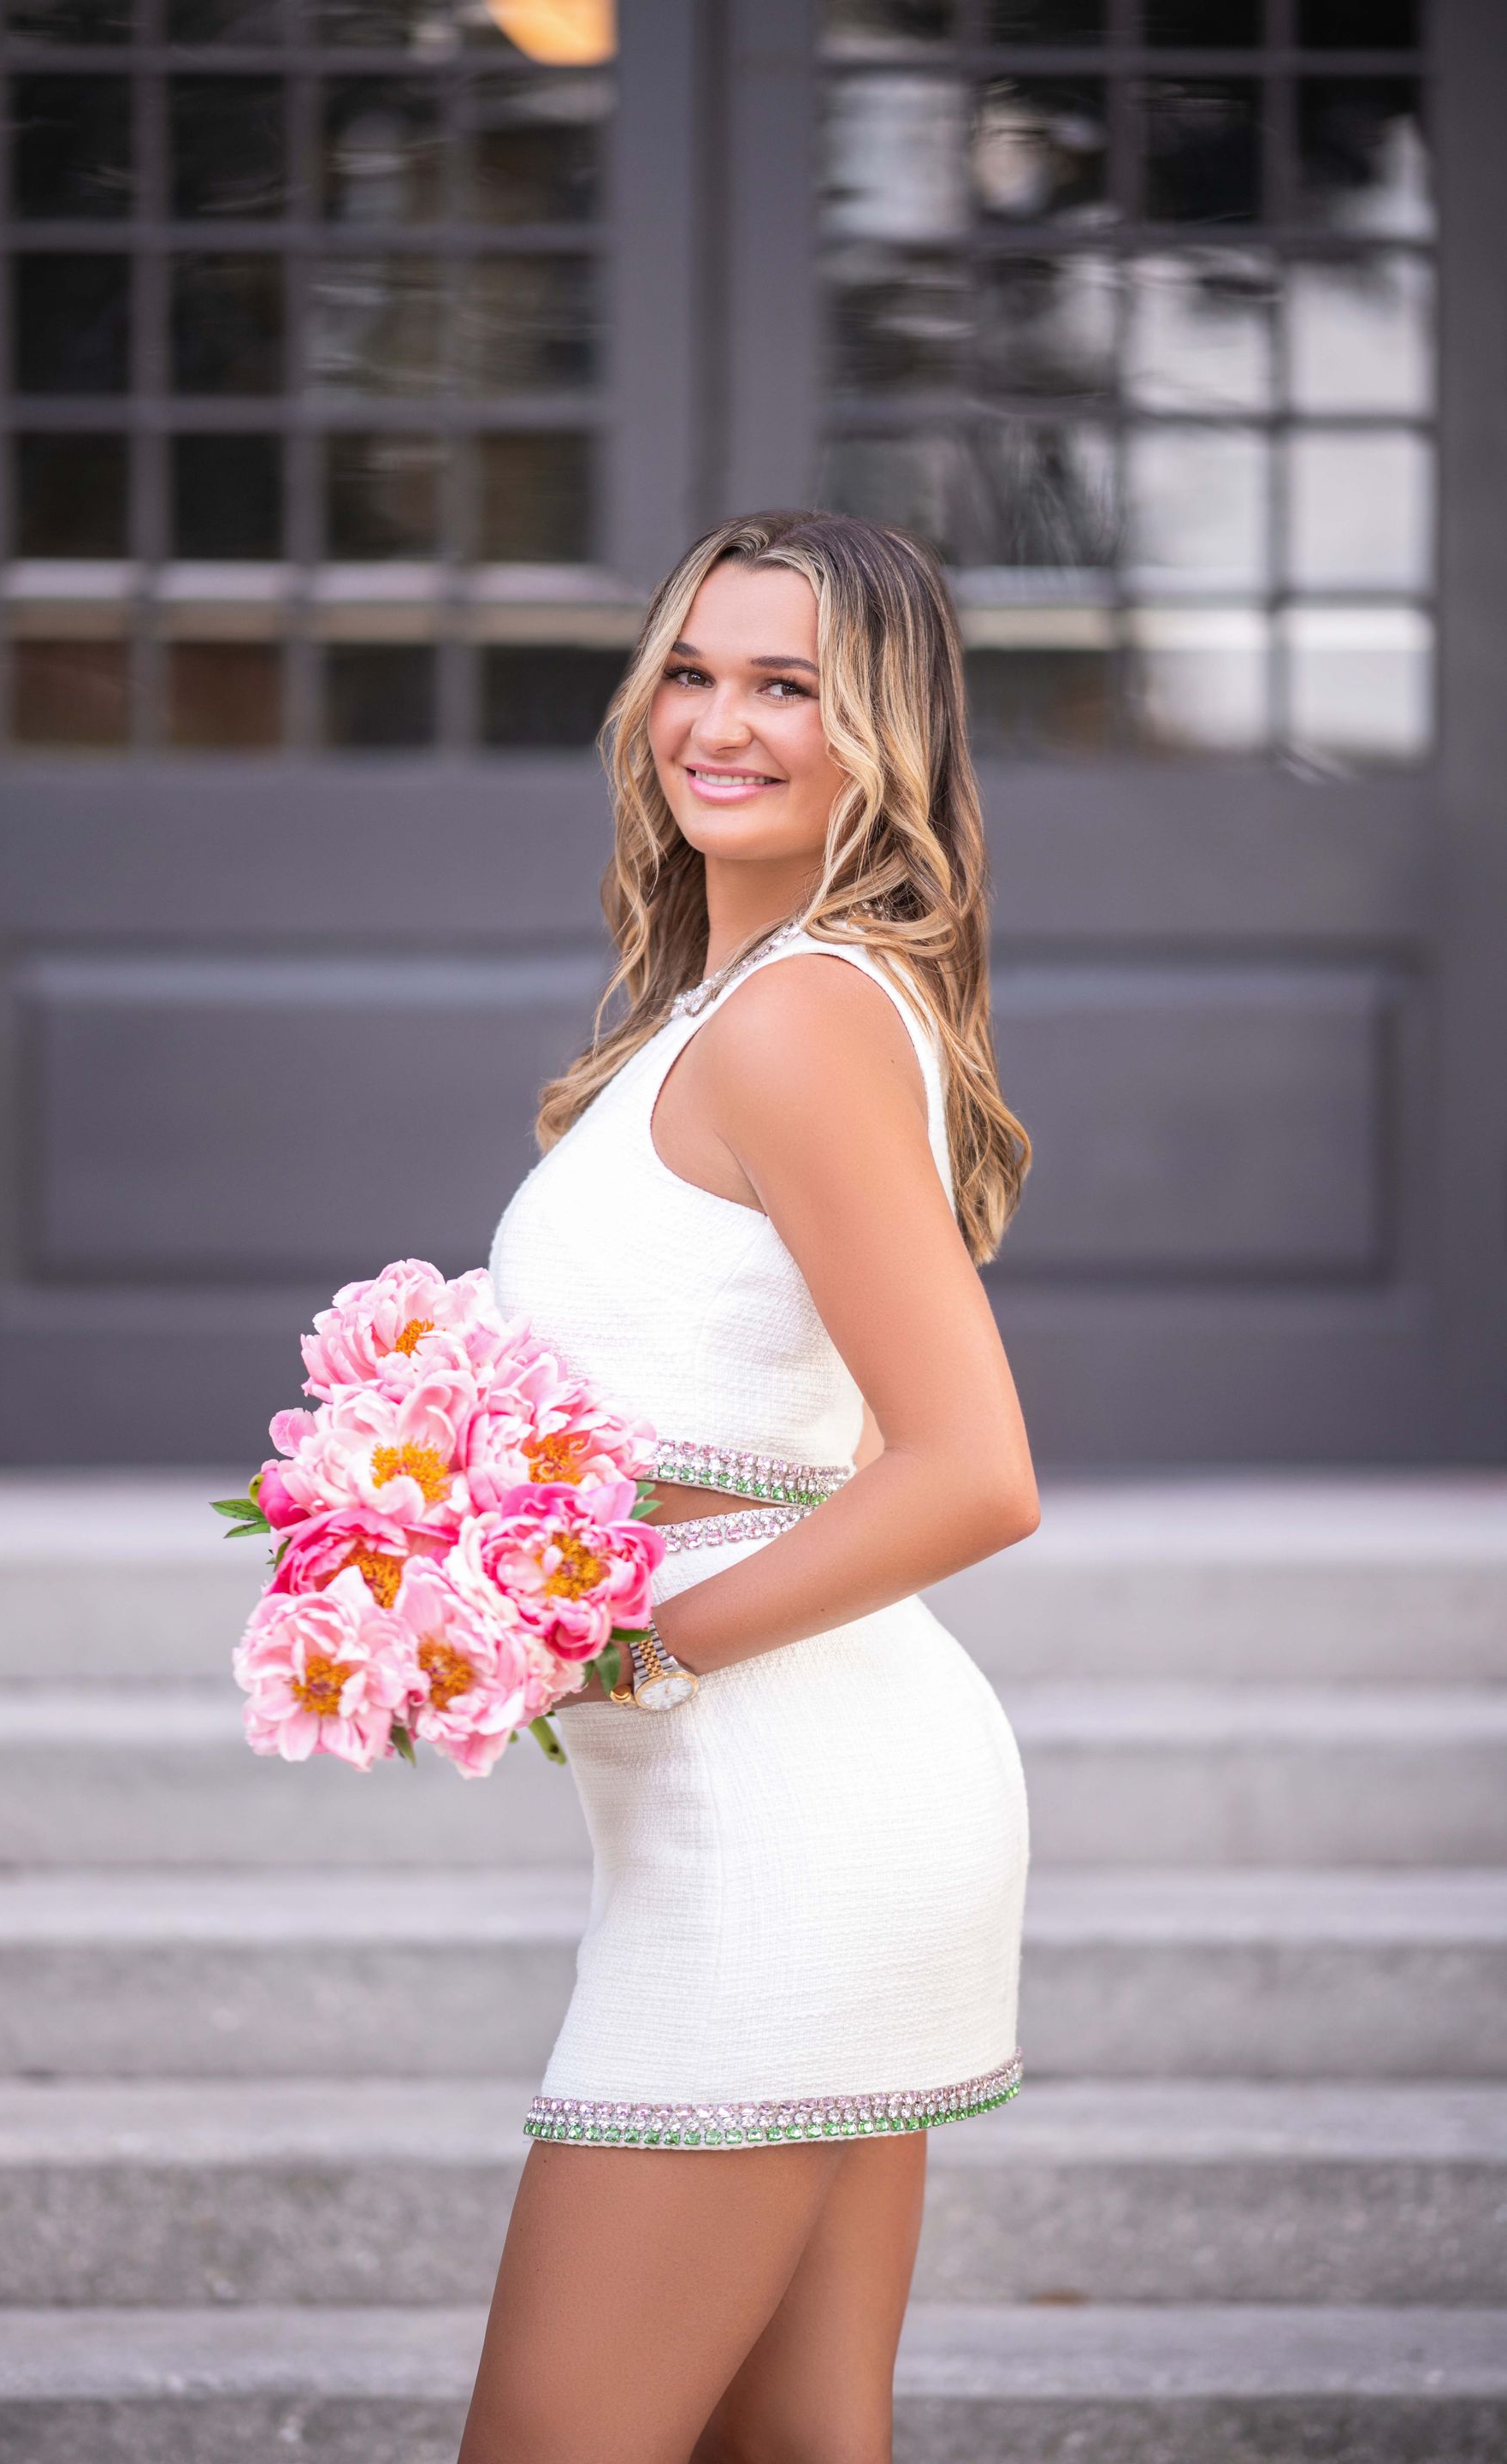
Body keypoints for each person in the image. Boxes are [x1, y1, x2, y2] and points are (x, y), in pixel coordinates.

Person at [461, 508, 1038, 2464]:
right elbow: (831, 1437)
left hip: (785, 1826)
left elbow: (972, 1474)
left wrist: (622, 1648)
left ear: (878, 729)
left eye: (787, 684)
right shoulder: (737, 1013)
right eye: (692, 672)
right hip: (814, 1799)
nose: (719, 721)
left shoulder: (801, 1019)